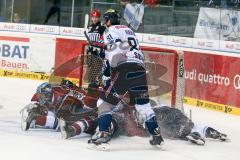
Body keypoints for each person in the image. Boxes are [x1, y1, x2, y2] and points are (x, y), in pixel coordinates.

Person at [88, 9, 164, 146]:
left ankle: (103, 134)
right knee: (143, 105)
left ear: (109, 21)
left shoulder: (109, 31)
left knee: (104, 103)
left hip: (123, 69)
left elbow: (116, 51)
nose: (105, 23)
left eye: (106, 20)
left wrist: (108, 70)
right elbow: (122, 48)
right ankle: (157, 135)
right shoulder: (130, 31)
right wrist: (105, 51)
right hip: (139, 69)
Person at [153, 105, 228, 145]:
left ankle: (195, 134)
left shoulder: (156, 110)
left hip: (176, 121)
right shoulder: (161, 108)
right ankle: (216, 134)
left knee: (182, 131)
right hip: (179, 120)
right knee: (194, 126)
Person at [85, 9, 106, 87]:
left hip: (99, 55)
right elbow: (89, 42)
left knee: (98, 76)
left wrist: (98, 46)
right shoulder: (90, 28)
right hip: (91, 55)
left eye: (96, 17)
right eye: (93, 17)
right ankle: (93, 92)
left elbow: (105, 41)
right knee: (91, 76)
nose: (94, 19)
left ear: (99, 18)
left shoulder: (102, 27)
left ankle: (101, 92)